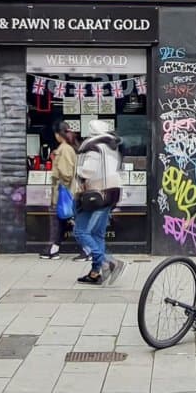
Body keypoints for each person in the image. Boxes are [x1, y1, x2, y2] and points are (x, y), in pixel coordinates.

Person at [74, 117, 123, 285]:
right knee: (97, 234)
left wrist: (77, 171)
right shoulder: (111, 147)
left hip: (94, 195)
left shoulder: (93, 147)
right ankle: (96, 273)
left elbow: (87, 171)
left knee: (80, 232)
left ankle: (107, 261)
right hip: (111, 193)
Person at [45, 121, 81, 260]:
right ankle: (53, 249)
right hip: (65, 192)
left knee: (69, 220)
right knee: (61, 221)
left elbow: (66, 174)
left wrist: (60, 184)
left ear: (58, 135)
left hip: (64, 193)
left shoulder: (65, 149)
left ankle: (88, 249)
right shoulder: (66, 148)